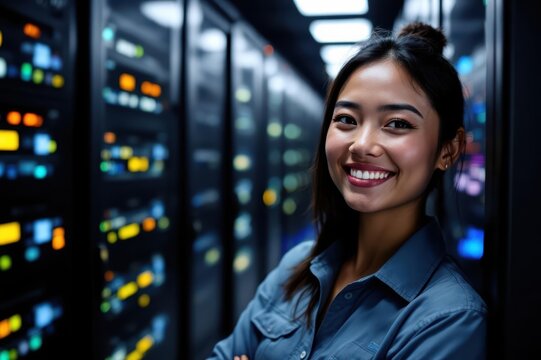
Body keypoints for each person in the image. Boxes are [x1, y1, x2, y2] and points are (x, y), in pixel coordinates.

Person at [210, 22, 486, 359]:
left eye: (397, 124)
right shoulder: (297, 267)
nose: (362, 144)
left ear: (448, 149)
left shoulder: (449, 319)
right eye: (346, 120)